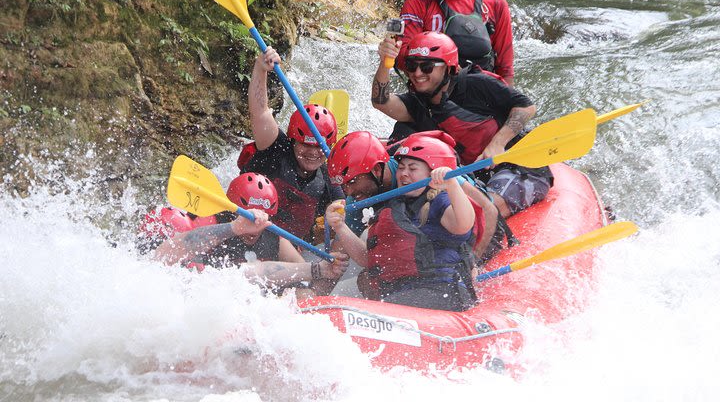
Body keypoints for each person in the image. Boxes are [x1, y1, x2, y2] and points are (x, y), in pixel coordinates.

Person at [372, 30, 553, 220]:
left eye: (426, 67)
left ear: (448, 68)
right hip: (473, 176)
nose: (417, 73)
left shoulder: (477, 84)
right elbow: (381, 101)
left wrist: (497, 143)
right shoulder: (417, 102)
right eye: (411, 66)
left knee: (479, 213)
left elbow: (526, 107)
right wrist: (386, 62)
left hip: (517, 166)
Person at [325, 133, 477, 312]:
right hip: (403, 293)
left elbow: (464, 223)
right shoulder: (392, 208)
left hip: (441, 292)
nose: (404, 174)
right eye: (402, 168)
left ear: (432, 174)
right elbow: (369, 259)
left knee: (381, 308)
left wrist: (451, 183)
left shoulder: (439, 201)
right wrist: (340, 227)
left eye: (412, 169)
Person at [327, 130, 504, 263]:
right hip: (423, 252)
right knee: (366, 280)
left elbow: (488, 209)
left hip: (472, 239)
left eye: (352, 182)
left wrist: (474, 263)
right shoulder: (358, 200)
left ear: (376, 170)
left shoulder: (427, 171)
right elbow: (338, 254)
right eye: (343, 185)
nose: (348, 192)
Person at [239, 47, 344, 241]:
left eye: (319, 146)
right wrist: (260, 69)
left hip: (288, 251)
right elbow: (260, 112)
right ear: (293, 141)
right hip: (248, 234)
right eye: (305, 145)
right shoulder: (276, 148)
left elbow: (343, 206)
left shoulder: (329, 176)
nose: (313, 152)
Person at [153, 208, 349, 290]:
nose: (193, 265)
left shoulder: (198, 278)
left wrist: (318, 269)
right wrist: (234, 228)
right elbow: (172, 250)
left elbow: (251, 272)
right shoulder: (147, 273)